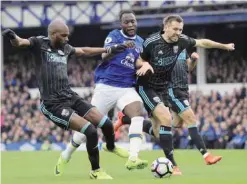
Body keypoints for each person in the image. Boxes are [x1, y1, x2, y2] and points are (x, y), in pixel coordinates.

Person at [2, 19, 131, 180]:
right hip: (52, 104)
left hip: (69, 96)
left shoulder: (65, 48)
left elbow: (84, 51)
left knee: (106, 123)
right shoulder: (39, 43)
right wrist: (13, 36)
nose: (67, 39)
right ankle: (95, 171)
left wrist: (110, 49)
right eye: (64, 35)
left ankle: (111, 147)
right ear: (53, 34)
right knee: (90, 131)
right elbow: (20, 43)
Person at [114, 14, 235, 175]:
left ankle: (126, 119)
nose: (178, 32)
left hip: (163, 87)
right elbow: (138, 61)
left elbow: (202, 42)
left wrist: (224, 46)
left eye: (180, 29)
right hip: (146, 87)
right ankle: (173, 165)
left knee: (159, 132)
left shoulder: (182, 40)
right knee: (166, 118)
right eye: (175, 29)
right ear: (166, 27)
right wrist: (145, 64)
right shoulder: (152, 42)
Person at [56, 10, 153, 172]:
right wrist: (119, 47)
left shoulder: (140, 42)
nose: (130, 24)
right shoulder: (114, 35)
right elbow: (104, 56)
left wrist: (145, 65)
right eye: (127, 22)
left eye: (133, 21)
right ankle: (66, 155)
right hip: (106, 87)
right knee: (87, 128)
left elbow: (138, 62)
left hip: (126, 88)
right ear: (121, 24)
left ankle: (133, 157)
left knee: (137, 113)